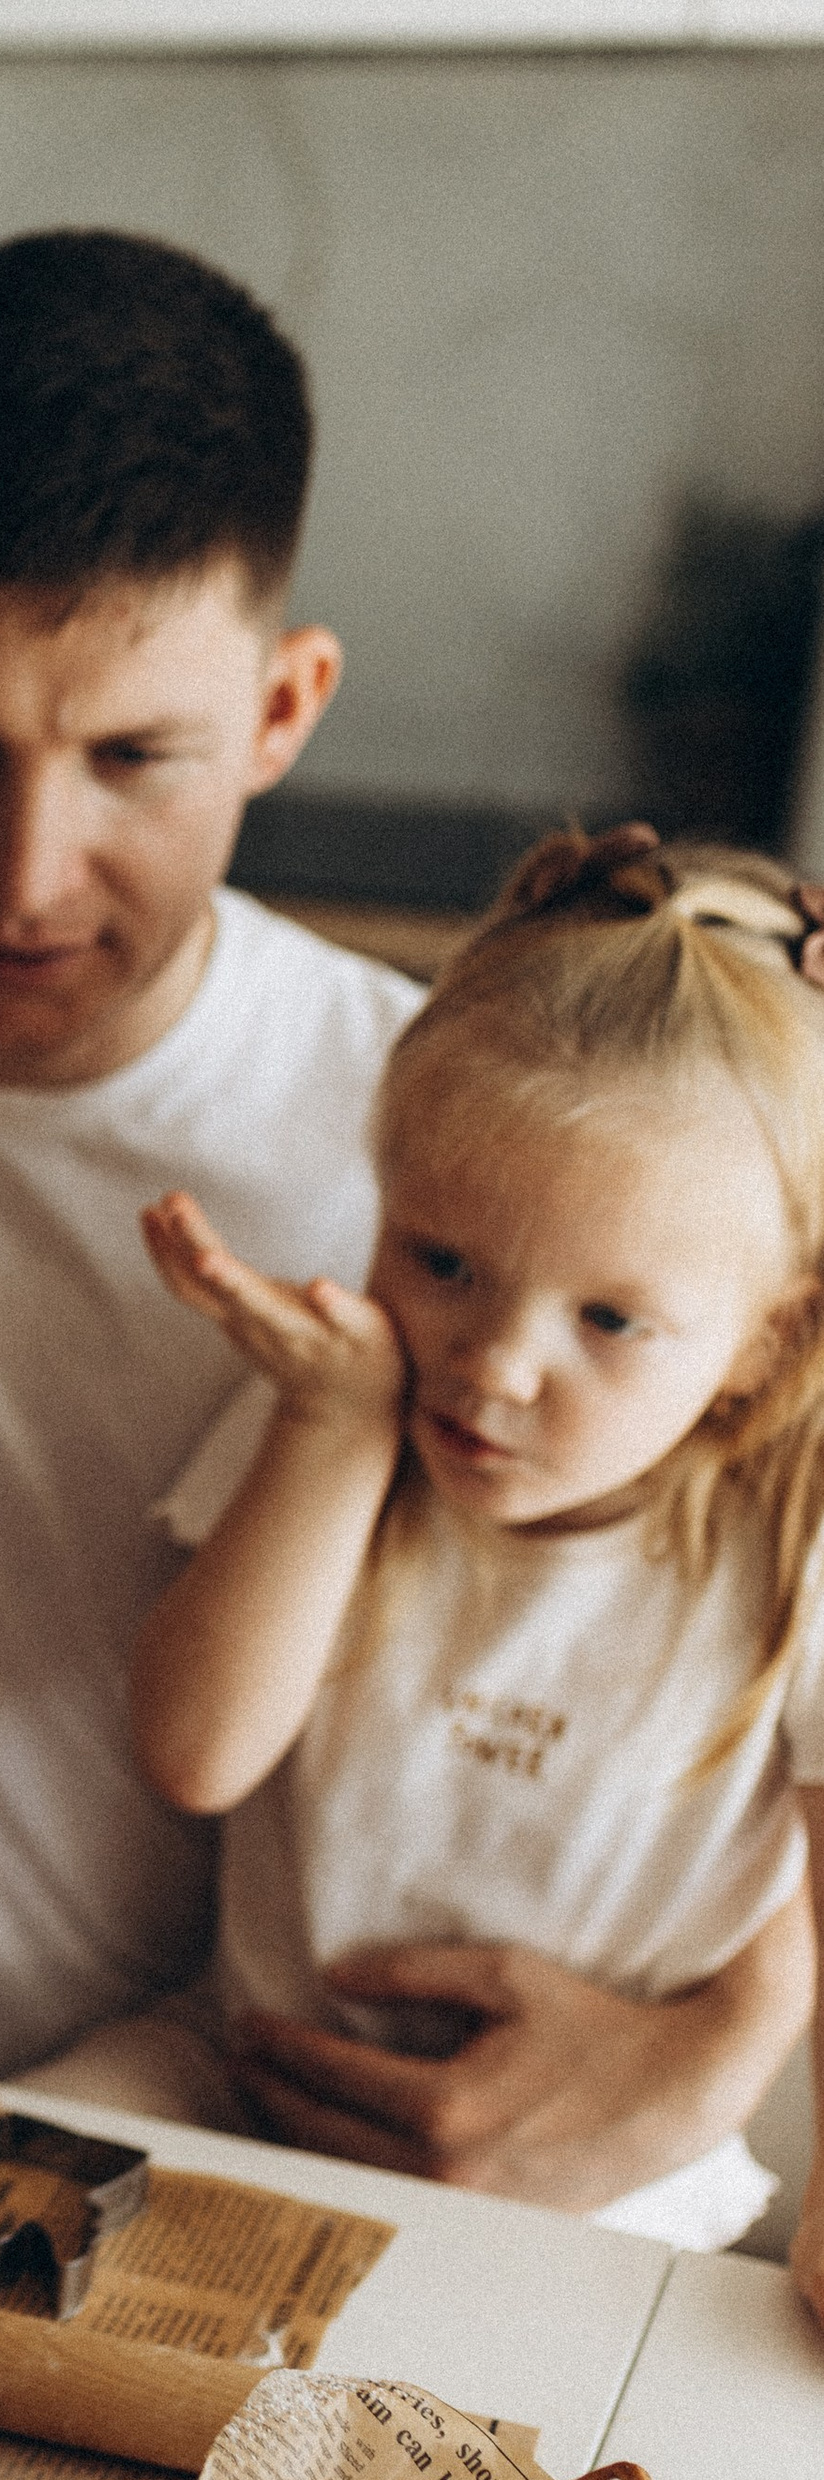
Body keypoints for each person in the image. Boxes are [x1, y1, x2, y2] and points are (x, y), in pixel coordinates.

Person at [0, 231, 810, 2207]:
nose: (28, 871)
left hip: (265, 2140)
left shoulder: (457, 1159)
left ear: (283, 706)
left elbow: (724, 1577)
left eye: (131, 760)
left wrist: (719, 2044)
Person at [116, 827, 824, 2268]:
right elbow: (195, 1753)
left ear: (767, 1343)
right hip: (246, 2075)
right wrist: (327, 1430)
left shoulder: (793, 1541)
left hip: (604, 2173)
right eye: (441, 1261)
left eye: (608, 1320)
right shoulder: (339, 1413)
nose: (492, 1365)